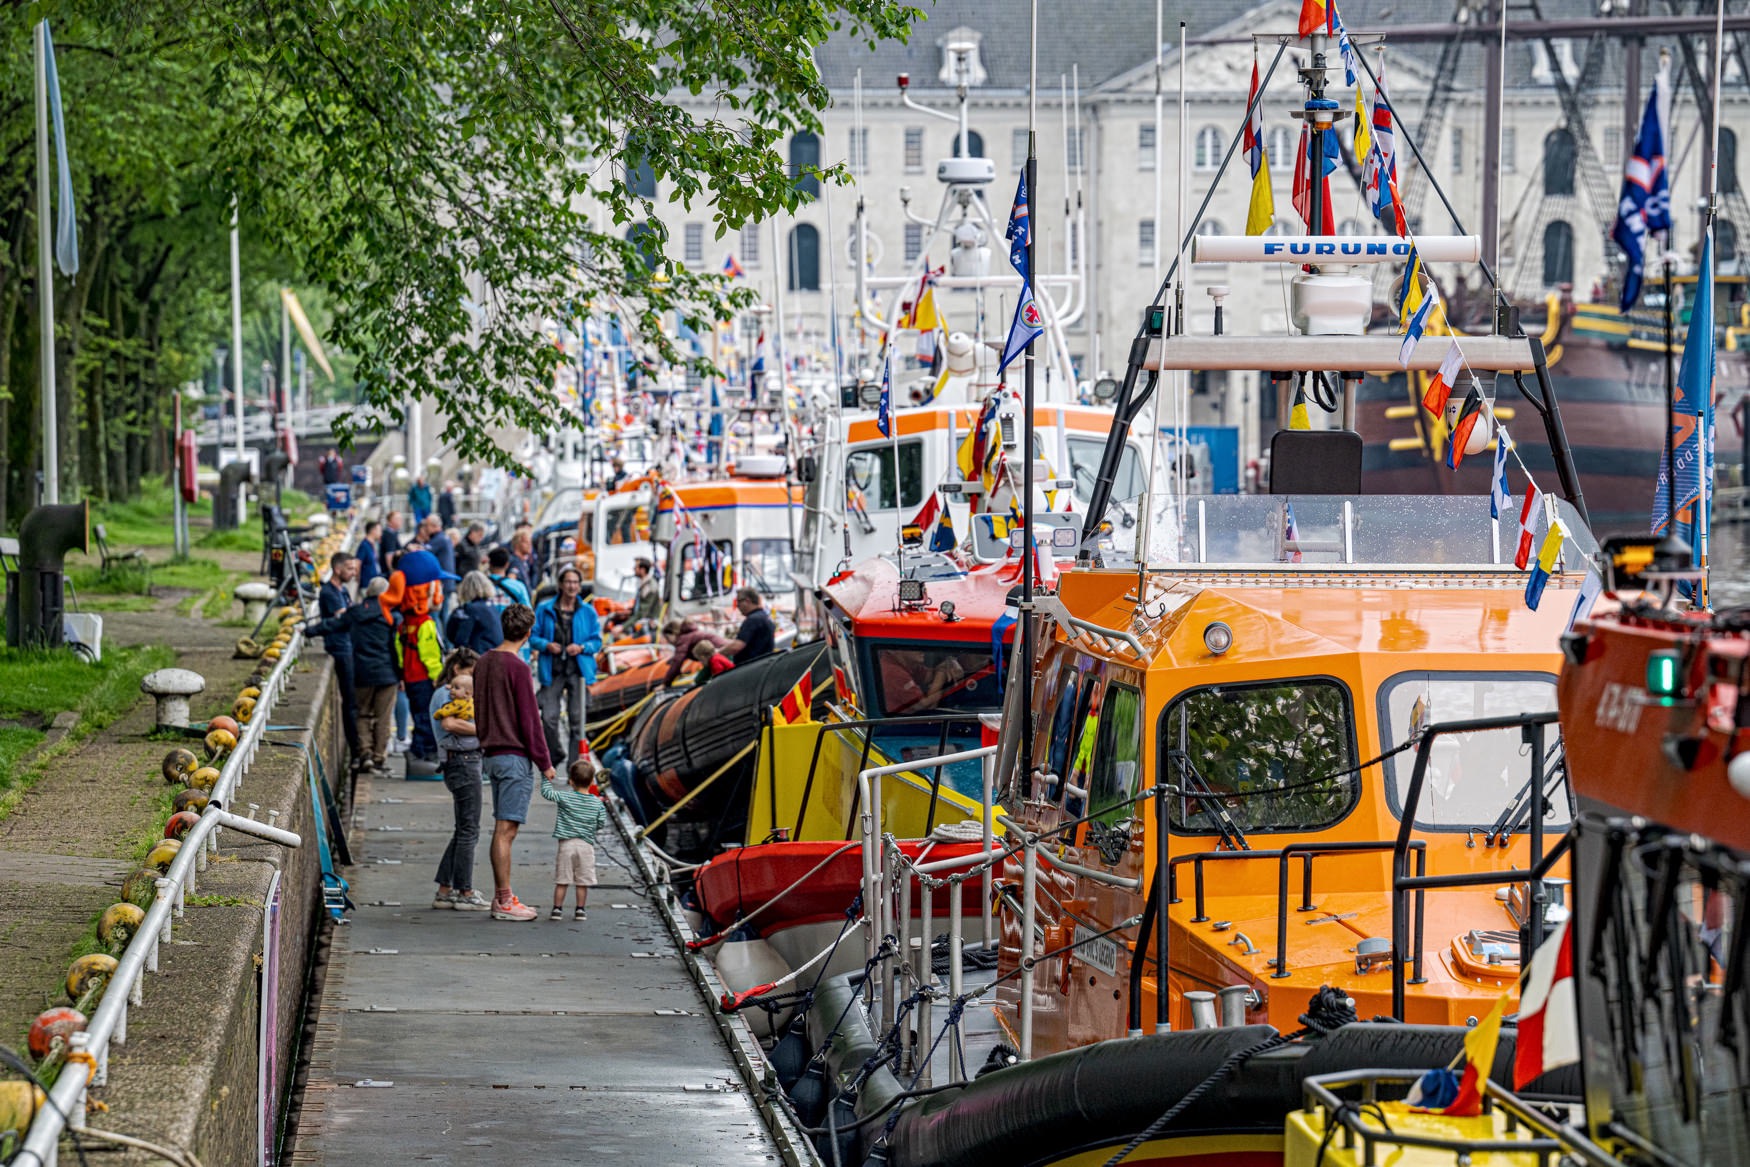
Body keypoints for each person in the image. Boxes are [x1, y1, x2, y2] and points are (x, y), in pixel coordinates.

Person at [473, 604, 552, 922]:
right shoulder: (518, 668)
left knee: (501, 828)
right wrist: (545, 762)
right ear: (528, 633)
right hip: (514, 756)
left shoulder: (483, 662)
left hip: (491, 754)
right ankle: (504, 899)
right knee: (506, 830)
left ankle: (502, 896)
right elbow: (530, 720)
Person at [308, 577, 396, 774]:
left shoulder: (356, 612)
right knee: (383, 717)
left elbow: (333, 624)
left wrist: (308, 631)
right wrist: (401, 673)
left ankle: (365, 754)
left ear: (368, 592)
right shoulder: (391, 614)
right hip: (387, 673)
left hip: (362, 672)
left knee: (362, 713)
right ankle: (379, 757)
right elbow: (396, 646)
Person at [430, 650, 489, 910]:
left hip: (460, 762)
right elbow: (450, 724)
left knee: (463, 828)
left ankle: (445, 889)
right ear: (457, 670)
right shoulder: (450, 694)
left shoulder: (446, 693)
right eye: (471, 673)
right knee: (469, 830)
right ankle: (465, 891)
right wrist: (486, 730)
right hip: (463, 762)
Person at [532, 566, 602, 769]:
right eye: (568, 582)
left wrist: (582, 647)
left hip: (578, 671)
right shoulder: (544, 608)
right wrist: (546, 645)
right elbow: (533, 636)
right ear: (561, 585)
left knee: (577, 721)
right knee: (549, 718)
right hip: (552, 670)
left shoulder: (588, 612)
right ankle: (555, 754)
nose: (572, 586)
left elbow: (597, 642)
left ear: (580, 586)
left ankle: (574, 767)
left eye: (576, 582)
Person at [540, 759, 607, 921]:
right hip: (586, 846)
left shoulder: (565, 797)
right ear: (592, 782)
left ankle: (557, 909)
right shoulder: (597, 803)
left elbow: (547, 793)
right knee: (582, 882)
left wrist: (545, 777)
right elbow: (601, 823)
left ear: (570, 781)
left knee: (562, 880)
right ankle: (580, 910)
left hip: (566, 844)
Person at [315, 552, 362, 761]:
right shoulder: (329, 593)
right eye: (350, 569)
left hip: (348, 645)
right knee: (349, 701)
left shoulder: (341, 590)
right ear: (337, 569)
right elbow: (343, 619)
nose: (353, 573)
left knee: (354, 700)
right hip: (339, 648)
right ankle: (356, 750)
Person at [394, 576, 445, 766]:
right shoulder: (426, 623)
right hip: (424, 678)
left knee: (418, 715)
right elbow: (429, 655)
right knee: (427, 716)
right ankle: (424, 753)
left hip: (410, 677)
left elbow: (399, 650)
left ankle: (419, 751)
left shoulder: (405, 624)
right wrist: (438, 676)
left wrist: (402, 673)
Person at [879, 648, 966, 715]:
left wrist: (949, 662)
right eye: (914, 644)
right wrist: (942, 674)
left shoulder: (906, 663)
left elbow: (929, 676)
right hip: (899, 728)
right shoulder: (894, 672)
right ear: (896, 649)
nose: (922, 650)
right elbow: (925, 707)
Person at [445, 571, 506, 654]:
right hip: (495, 653)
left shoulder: (471, 609)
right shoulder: (491, 606)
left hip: (481, 655)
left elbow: (461, 639)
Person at [659, 617, 723, 686]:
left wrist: (665, 683)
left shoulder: (683, 639)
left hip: (718, 655)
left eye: (668, 638)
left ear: (674, 633)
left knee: (699, 680)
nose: (668, 641)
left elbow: (677, 661)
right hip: (721, 651)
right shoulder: (690, 635)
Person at [721, 587, 775, 666]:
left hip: (751, 667)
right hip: (763, 665)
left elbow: (737, 646)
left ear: (747, 601)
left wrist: (716, 654)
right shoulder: (765, 617)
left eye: (738, 601)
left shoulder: (753, 620)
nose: (737, 606)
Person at [355, 521, 383, 587]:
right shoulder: (364, 545)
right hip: (367, 584)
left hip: (374, 583)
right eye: (379, 531)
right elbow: (357, 563)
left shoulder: (372, 545)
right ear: (373, 531)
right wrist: (358, 579)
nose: (381, 533)